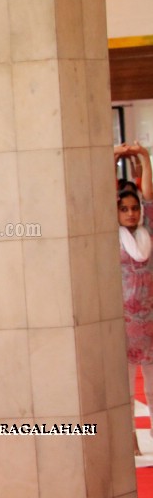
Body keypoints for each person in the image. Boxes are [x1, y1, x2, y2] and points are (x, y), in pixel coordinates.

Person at [117, 143, 153, 454]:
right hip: (124, 325)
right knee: (126, 390)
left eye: (135, 208)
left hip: (151, 323)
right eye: (124, 209)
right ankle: (130, 438)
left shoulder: (147, 233)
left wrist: (143, 156)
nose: (131, 213)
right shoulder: (112, 237)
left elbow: (150, 199)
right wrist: (113, 158)